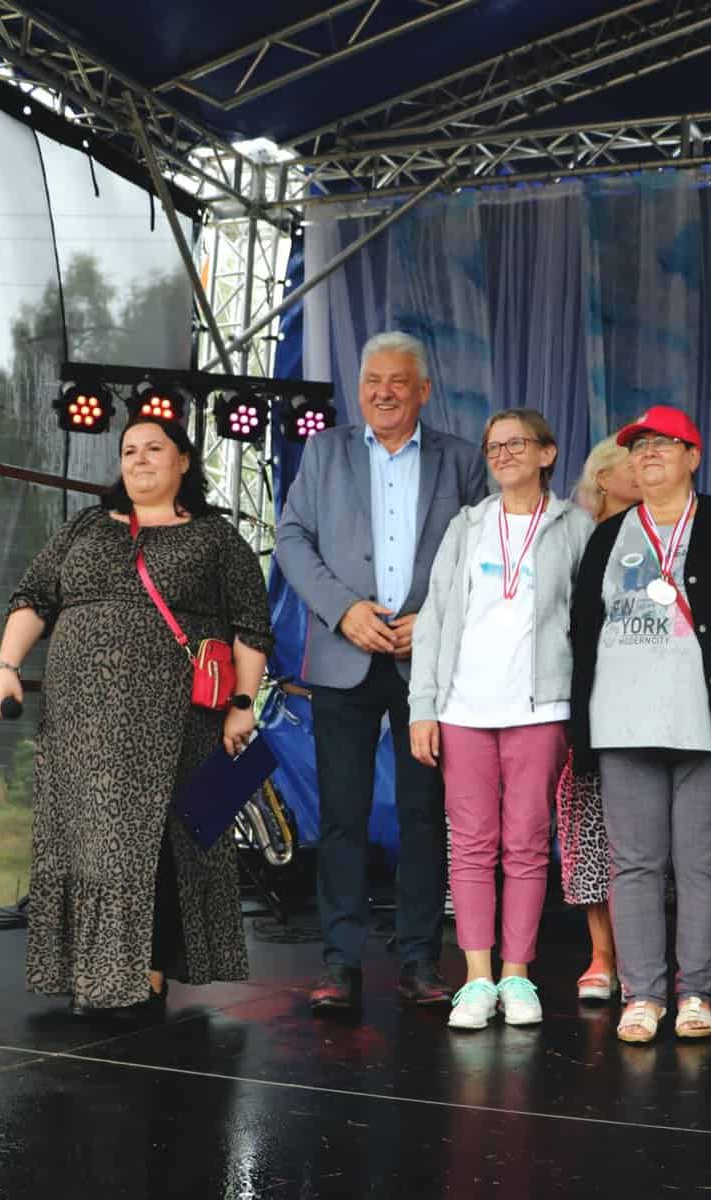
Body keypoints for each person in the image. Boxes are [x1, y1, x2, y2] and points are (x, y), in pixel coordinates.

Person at [0, 417, 271, 1014]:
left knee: (155, 842)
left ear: (184, 461)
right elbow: (34, 596)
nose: (139, 459)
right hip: (79, 716)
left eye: (154, 448)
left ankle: (145, 971)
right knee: (80, 841)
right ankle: (89, 970)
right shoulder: (87, 526)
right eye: (129, 450)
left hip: (173, 719)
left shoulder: (216, 537)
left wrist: (243, 705)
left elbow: (251, 625)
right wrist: (6, 665)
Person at [276, 331, 489, 1014]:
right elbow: (290, 538)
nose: (384, 392)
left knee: (425, 815)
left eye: (398, 381)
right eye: (372, 380)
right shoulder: (324, 452)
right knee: (342, 816)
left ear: (424, 390)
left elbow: (488, 553)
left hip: (429, 663)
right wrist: (342, 610)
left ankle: (420, 958)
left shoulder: (462, 460)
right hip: (344, 657)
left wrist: (436, 618)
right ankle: (339, 962)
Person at [569, 405, 711, 1045]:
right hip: (621, 724)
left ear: (693, 456)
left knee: (703, 865)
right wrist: (581, 726)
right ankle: (643, 995)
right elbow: (582, 631)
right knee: (634, 866)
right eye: (639, 445)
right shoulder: (607, 536)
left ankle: (697, 993)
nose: (649, 453)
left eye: (664, 443)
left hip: (706, 724)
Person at [407, 410, 594, 1030]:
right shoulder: (467, 526)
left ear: (548, 453)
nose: (504, 454)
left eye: (517, 443)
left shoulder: (575, 527)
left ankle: (517, 976)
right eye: (494, 446)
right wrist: (423, 706)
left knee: (527, 844)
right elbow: (434, 617)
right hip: (463, 708)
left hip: (540, 709)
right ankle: (476, 978)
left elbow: (588, 624)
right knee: (470, 845)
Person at [557, 435, 642, 1002]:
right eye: (632, 462)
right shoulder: (577, 541)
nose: (646, 468)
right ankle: (602, 956)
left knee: (647, 843)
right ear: (604, 480)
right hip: (586, 699)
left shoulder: (665, 535)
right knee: (590, 831)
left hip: (647, 703)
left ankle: (645, 961)